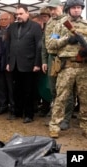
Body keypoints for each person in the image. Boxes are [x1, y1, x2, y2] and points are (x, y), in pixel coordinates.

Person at [48, 0, 87, 138]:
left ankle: (85, 127)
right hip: (67, 67)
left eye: (79, 8)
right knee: (61, 98)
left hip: (84, 68)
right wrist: (66, 39)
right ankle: (54, 127)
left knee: (85, 99)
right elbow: (51, 45)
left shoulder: (86, 25)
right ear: (68, 9)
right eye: (74, 8)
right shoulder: (60, 25)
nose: (77, 10)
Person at [6, 4, 42, 123]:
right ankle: (17, 112)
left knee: (29, 91)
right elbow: (8, 45)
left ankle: (29, 114)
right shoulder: (12, 27)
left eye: (21, 14)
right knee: (16, 90)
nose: (18, 16)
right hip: (15, 64)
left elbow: (39, 47)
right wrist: (8, 62)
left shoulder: (35, 27)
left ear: (28, 13)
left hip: (29, 64)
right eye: (17, 14)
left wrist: (37, 63)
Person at [43, 0, 74, 130]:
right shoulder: (50, 22)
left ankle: (66, 118)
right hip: (52, 58)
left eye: (54, 9)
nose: (52, 11)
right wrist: (44, 60)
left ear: (61, 7)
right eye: (50, 9)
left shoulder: (68, 21)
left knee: (66, 90)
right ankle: (56, 115)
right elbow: (46, 43)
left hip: (64, 58)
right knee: (53, 88)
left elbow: (71, 41)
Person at [0, 11, 15, 116]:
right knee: (0, 85)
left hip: (9, 63)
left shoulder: (13, 30)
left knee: (10, 86)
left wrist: (9, 62)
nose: (2, 21)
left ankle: (12, 106)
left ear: (10, 19)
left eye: (5, 19)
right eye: (1, 19)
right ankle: (3, 105)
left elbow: (13, 49)